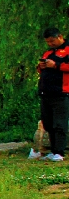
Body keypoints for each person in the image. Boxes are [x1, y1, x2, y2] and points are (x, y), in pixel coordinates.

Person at [35, 27, 69, 162]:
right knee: (48, 123)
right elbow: (41, 70)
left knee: (59, 123)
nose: (50, 44)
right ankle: (53, 150)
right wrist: (41, 67)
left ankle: (60, 152)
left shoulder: (67, 50)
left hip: (61, 92)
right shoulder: (48, 53)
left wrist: (56, 65)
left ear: (60, 37)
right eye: (48, 42)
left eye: (52, 41)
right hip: (46, 93)